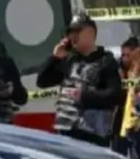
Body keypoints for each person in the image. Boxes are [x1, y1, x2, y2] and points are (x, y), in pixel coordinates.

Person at [36, 12, 122, 146]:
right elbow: (42, 81)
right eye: (71, 33)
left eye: (77, 32)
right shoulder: (70, 60)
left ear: (90, 33)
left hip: (92, 135)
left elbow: (115, 95)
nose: (72, 36)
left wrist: (83, 95)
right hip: (65, 132)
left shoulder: (106, 62)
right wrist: (55, 58)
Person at [111, 36, 139, 155]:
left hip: (135, 115)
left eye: (128, 55)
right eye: (123, 55)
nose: (125, 59)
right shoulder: (118, 68)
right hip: (120, 113)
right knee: (118, 149)